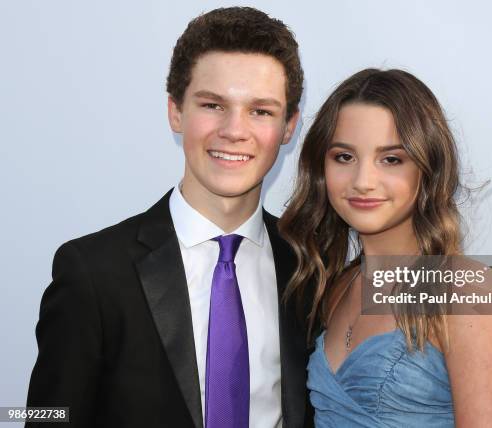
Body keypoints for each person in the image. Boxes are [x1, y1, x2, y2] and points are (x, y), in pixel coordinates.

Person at [27, 7, 313, 428]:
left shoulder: (310, 266)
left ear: (289, 127)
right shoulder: (92, 271)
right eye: (213, 105)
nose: (235, 130)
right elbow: (44, 417)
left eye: (261, 111)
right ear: (175, 111)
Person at [279, 68, 492, 427]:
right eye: (344, 157)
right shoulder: (336, 286)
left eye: (391, 159)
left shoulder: (463, 289)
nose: (363, 182)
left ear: (427, 169)